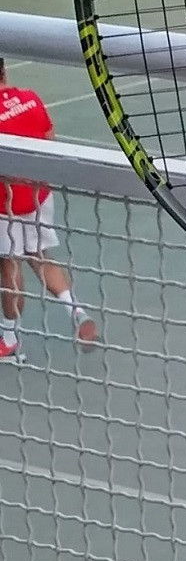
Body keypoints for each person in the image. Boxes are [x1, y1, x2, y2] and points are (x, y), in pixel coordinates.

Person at [0, 58, 100, 359]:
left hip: (4, 204)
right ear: (4, 71)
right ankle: (76, 310)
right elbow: (50, 142)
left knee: (10, 266)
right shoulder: (31, 99)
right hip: (39, 196)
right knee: (40, 255)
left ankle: (9, 339)